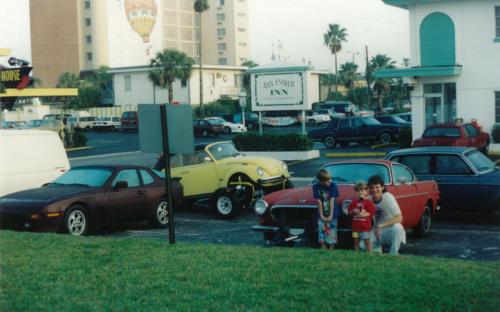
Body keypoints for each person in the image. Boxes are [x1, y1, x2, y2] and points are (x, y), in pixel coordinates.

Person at [367, 175, 406, 255]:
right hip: (375, 231)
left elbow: (399, 218)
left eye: (377, 187)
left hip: (388, 230)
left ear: (382, 187)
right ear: (369, 189)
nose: (374, 190)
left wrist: (380, 226)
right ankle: (377, 251)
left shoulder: (388, 197)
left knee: (397, 227)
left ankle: (393, 253)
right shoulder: (368, 199)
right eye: (372, 187)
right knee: (363, 245)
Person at [312, 168, 340, 249]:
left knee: (331, 232)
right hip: (321, 214)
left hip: (333, 214)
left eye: (329, 179)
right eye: (326, 181)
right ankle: (323, 249)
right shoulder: (316, 187)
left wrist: (330, 216)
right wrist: (322, 216)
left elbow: (332, 200)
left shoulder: (333, 185)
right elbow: (319, 202)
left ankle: (331, 249)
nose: (329, 182)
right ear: (320, 181)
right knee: (321, 232)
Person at [347, 181, 376, 252]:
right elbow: (349, 213)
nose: (360, 192)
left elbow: (371, 213)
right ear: (356, 192)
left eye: (362, 190)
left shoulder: (369, 202)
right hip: (355, 227)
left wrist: (364, 213)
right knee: (356, 242)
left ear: (366, 191)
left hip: (365, 227)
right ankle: (356, 255)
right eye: (358, 190)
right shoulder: (353, 202)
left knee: (367, 242)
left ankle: (370, 254)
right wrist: (353, 211)